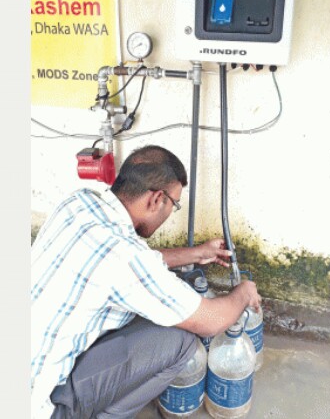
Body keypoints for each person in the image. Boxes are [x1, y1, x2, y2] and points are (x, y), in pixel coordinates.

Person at [31, 145, 261, 419]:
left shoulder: (78, 203)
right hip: (41, 407)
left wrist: (196, 254)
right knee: (181, 340)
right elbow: (210, 321)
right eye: (174, 204)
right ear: (157, 199)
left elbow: (128, 261)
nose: (171, 211)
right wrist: (243, 293)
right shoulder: (126, 257)